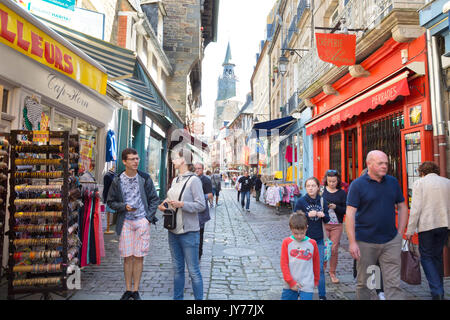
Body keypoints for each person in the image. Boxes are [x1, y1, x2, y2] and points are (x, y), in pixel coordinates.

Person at [346, 150, 408, 300]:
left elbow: (402, 206)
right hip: (365, 242)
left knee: (393, 283)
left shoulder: (392, 182)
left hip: (390, 240)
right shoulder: (357, 185)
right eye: (380, 163)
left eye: (386, 163)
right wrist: (352, 242)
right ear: (369, 164)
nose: (385, 166)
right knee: (365, 284)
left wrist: (400, 234)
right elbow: (350, 214)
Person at [107, 148, 159, 300]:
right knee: (127, 257)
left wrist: (148, 218)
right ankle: (128, 289)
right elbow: (110, 201)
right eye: (132, 159)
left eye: (137, 159)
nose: (136, 161)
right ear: (124, 162)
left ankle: (135, 290)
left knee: (139, 257)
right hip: (126, 223)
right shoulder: (117, 180)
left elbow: (154, 199)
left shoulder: (144, 178)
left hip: (142, 221)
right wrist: (124, 207)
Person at [157, 149, 205, 300]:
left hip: (189, 233)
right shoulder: (175, 180)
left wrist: (182, 204)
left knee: (193, 271)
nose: (172, 161)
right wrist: (163, 204)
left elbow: (201, 205)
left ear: (183, 160)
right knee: (177, 270)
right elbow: (170, 198)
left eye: (174, 158)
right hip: (173, 231)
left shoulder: (194, 180)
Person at [405, 161, 450, 300]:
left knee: (426, 257)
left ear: (422, 172)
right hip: (444, 224)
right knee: (437, 256)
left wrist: (410, 229)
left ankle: (437, 290)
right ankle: (439, 288)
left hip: (427, 225)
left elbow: (416, 209)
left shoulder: (420, 183)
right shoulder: (447, 182)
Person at [293, 177, 330, 300]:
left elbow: (328, 219)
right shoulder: (301, 202)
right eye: (308, 186)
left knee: (319, 268)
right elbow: (294, 219)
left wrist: (323, 215)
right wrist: (307, 215)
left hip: (318, 240)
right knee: (302, 267)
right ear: (305, 187)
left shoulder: (322, 201)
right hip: (303, 240)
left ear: (318, 187)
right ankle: (300, 292)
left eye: (313, 185)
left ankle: (322, 295)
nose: (311, 188)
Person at [280, 212, 320, 300]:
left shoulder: (312, 244)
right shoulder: (286, 242)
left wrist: (316, 280)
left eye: (302, 233)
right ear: (290, 228)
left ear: (307, 228)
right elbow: (284, 264)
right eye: (296, 233)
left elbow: (316, 263)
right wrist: (290, 282)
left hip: (307, 282)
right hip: (290, 283)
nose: (299, 236)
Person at [321, 169, 347, 284]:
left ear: (338, 181)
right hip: (323, 224)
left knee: (334, 249)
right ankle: (321, 271)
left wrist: (336, 207)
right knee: (324, 248)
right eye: (330, 181)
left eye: (334, 181)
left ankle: (332, 272)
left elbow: (346, 209)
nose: (332, 183)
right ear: (326, 181)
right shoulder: (321, 191)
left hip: (337, 225)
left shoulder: (342, 193)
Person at [194, 162, 213, 261]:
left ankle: (198, 254)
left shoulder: (206, 180)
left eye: (199, 168)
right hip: (192, 210)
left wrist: (200, 197)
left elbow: (210, 195)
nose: (197, 170)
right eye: (196, 168)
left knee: (200, 233)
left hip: (201, 211)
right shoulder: (192, 179)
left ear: (203, 169)